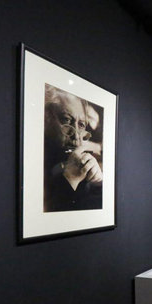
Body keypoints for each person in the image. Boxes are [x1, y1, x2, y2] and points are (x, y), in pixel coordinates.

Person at [43, 84, 103, 212]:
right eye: (67, 120)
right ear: (46, 118)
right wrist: (71, 178)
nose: (76, 135)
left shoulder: (79, 161)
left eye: (81, 125)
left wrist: (98, 182)